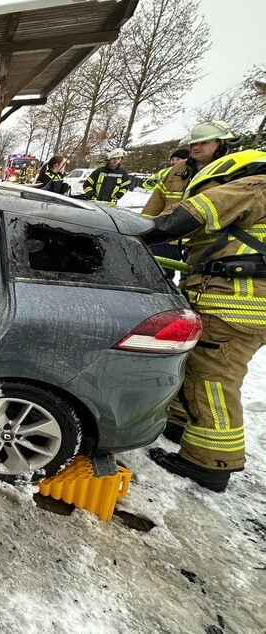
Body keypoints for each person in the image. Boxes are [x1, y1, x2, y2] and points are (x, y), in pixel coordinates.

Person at [143, 149, 266, 491]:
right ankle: (182, 424)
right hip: (247, 309)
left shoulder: (253, 186)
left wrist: (137, 231)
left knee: (212, 379)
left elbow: (190, 215)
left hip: (232, 307)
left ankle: (209, 463)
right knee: (201, 371)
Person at [144, 124, 238, 279]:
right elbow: (156, 201)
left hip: (205, 245)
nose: (196, 147)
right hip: (167, 238)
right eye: (194, 143)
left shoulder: (232, 171)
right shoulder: (179, 168)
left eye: (203, 143)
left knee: (192, 283)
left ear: (221, 143)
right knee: (154, 277)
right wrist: (144, 229)